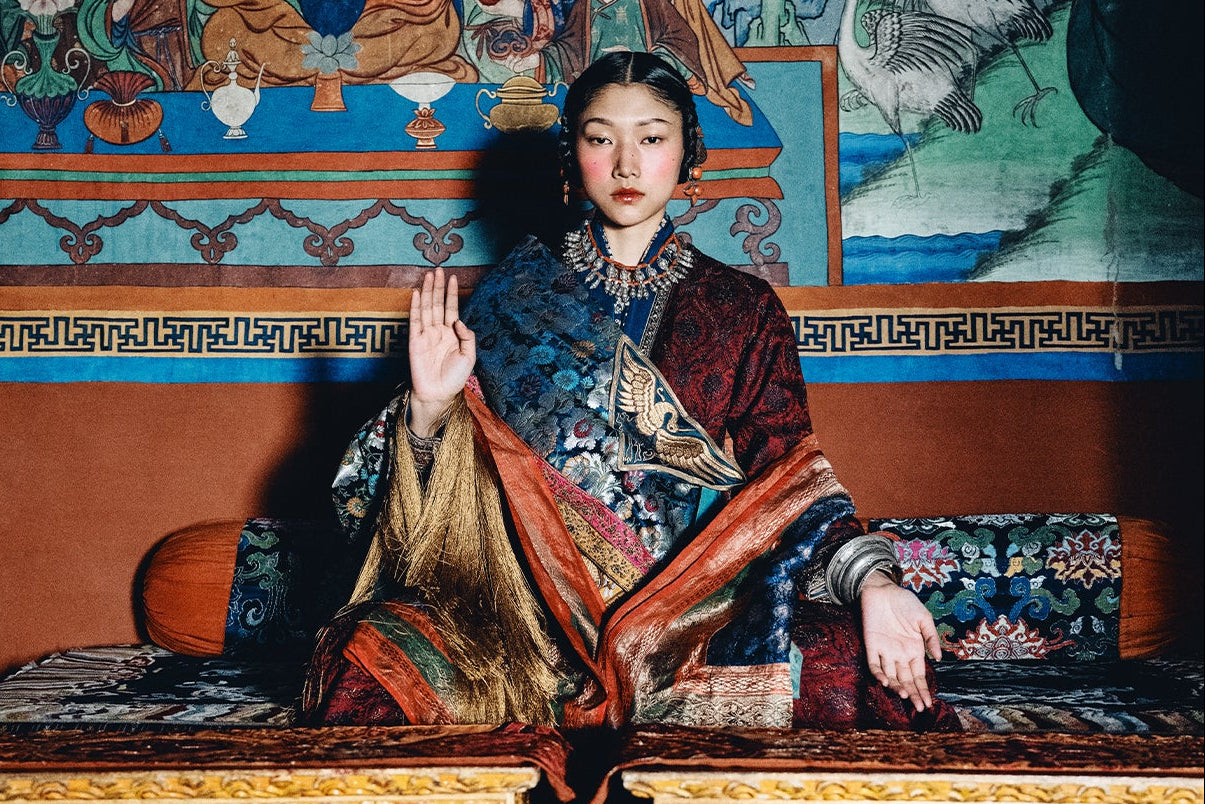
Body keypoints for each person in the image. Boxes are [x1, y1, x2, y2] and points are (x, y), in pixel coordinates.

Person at [300, 50, 961, 733]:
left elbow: (788, 475)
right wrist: (431, 408)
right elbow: (413, 513)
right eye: (599, 138)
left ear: (687, 156)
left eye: (650, 137)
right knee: (367, 657)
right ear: (571, 155)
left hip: (687, 617)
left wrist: (874, 584)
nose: (625, 164)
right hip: (521, 616)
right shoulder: (506, 301)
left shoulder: (741, 307)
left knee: (851, 663)